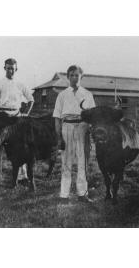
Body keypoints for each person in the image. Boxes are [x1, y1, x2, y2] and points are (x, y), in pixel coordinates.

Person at [0, 58, 34, 187]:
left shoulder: (20, 84)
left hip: (17, 119)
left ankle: (23, 177)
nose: (10, 70)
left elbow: (31, 99)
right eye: (8, 68)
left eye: (13, 68)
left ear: (16, 69)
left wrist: (26, 114)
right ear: (4, 68)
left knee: (22, 148)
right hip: (3, 118)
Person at [53, 65, 95, 203]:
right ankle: (64, 195)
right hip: (67, 127)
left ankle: (82, 193)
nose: (75, 78)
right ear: (67, 77)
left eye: (77, 75)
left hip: (82, 127)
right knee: (66, 162)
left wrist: (90, 132)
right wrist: (59, 137)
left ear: (81, 77)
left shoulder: (88, 94)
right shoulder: (62, 95)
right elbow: (57, 118)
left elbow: (93, 117)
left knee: (82, 162)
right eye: (72, 75)